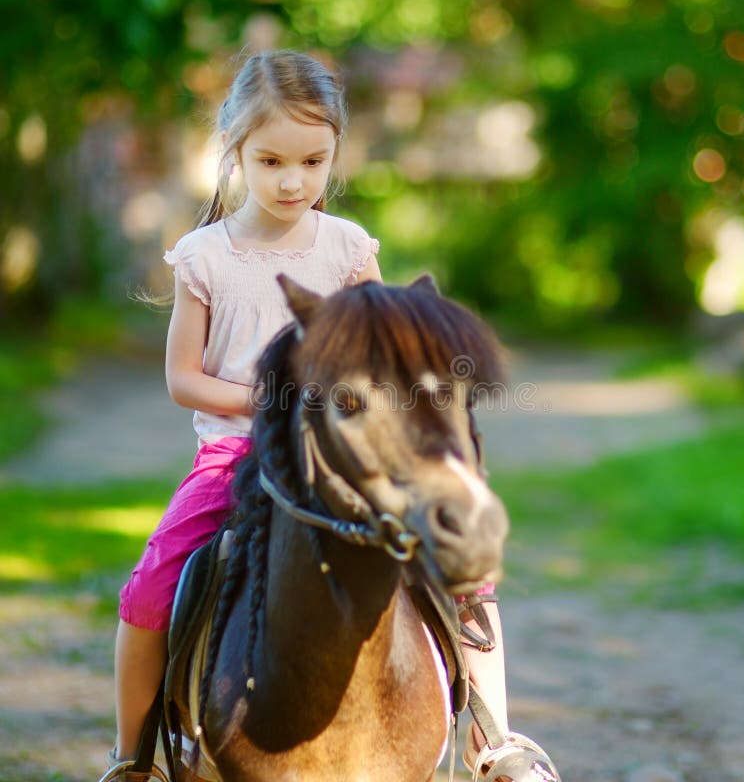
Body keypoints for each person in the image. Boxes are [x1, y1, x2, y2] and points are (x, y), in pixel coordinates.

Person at [107, 48, 554, 782]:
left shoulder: (347, 248)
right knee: (151, 588)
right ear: (236, 152)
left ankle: (496, 741)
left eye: (313, 162)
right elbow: (183, 379)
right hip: (234, 455)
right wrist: (273, 398)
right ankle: (133, 759)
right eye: (272, 160)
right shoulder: (204, 257)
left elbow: (390, 356)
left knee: (468, 576)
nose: (293, 180)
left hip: (347, 449)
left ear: (334, 155)